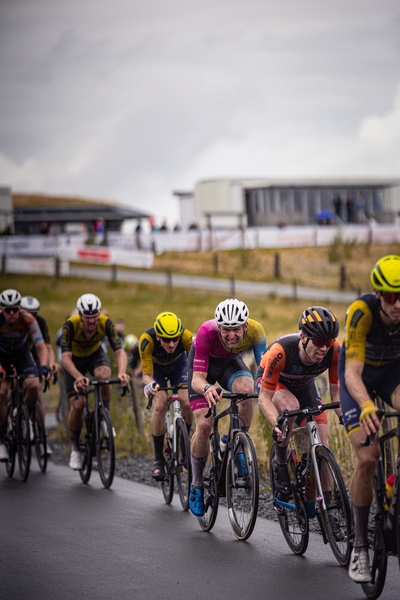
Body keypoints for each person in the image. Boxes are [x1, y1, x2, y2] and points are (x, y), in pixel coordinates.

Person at [338, 255, 400, 583]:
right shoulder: (362, 313)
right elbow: (351, 374)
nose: (398, 304)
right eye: (392, 297)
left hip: (392, 374)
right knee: (368, 457)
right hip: (358, 378)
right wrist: (364, 405)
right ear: (379, 296)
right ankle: (360, 544)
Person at [256, 306, 341, 520]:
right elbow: (264, 398)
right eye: (319, 342)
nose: (324, 348)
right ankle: (280, 463)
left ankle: (327, 509)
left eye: (328, 343)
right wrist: (276, 424)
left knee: (323, 447)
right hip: (274, 383)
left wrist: (346, 419)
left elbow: (337, 393)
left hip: (304, 384)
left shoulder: (335, 351)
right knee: (291, 408)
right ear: (303, 337)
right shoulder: (281, 352)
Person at [187, 298, 266, 516]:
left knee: (247, 390)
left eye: (237, 330)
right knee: (204, 425)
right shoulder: (206, 332)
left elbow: (263, 371)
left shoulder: (257, 331)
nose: (232, 335)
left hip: (229, 364)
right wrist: (206, 389)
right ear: (218, 327)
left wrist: (265, 388)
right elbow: (196, 380)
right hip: (202, 371)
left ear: (246, 327)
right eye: (226, 330)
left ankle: (237, 443)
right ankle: (196, 484)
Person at [61, 294, 130, 470]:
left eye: (94, 316)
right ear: (80, 315)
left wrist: (122, 373)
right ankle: (76, 449)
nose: (92, 321)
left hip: (94, 355)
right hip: (74, 362)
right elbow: (65, 358)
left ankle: (104, 418)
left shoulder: (105, 323)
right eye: (87, 317)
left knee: (104, 375)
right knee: (78, 405)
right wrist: (77, 376)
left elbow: (120, 351)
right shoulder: (70, 325)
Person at [139, 312, 193, 480]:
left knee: (186, 401)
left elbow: (195, 366)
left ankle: (185, 445)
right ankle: (158, 459)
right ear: (157, 337)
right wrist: (150, 384)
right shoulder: (146, 341)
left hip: (180, 365)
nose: (171, 344)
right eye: (166, 340)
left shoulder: (187, 337)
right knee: (160, 405)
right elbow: (146, 375)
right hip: (157, 370)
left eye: (175, 339)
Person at [0, 289, 50, 461]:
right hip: (3, 356)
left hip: (22, 354)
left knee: (34, 386)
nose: (12, 313)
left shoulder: (28, 319)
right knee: (1, 393)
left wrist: (44, 367)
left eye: (15, 309)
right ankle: (1, 440)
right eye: (7, 310)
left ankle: (26, 418)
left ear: (20, 308)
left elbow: (41, 347)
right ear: (2, 309)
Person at [20, 295, 59, 452]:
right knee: (15, 381)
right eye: (28, 313)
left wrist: (50, 364)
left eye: (35, 313)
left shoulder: (40, 322)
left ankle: (42, 438)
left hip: (34, 353)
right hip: (16, 352)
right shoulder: (14, 321)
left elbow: (47, 347)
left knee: (37, 394)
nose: (31, 317)